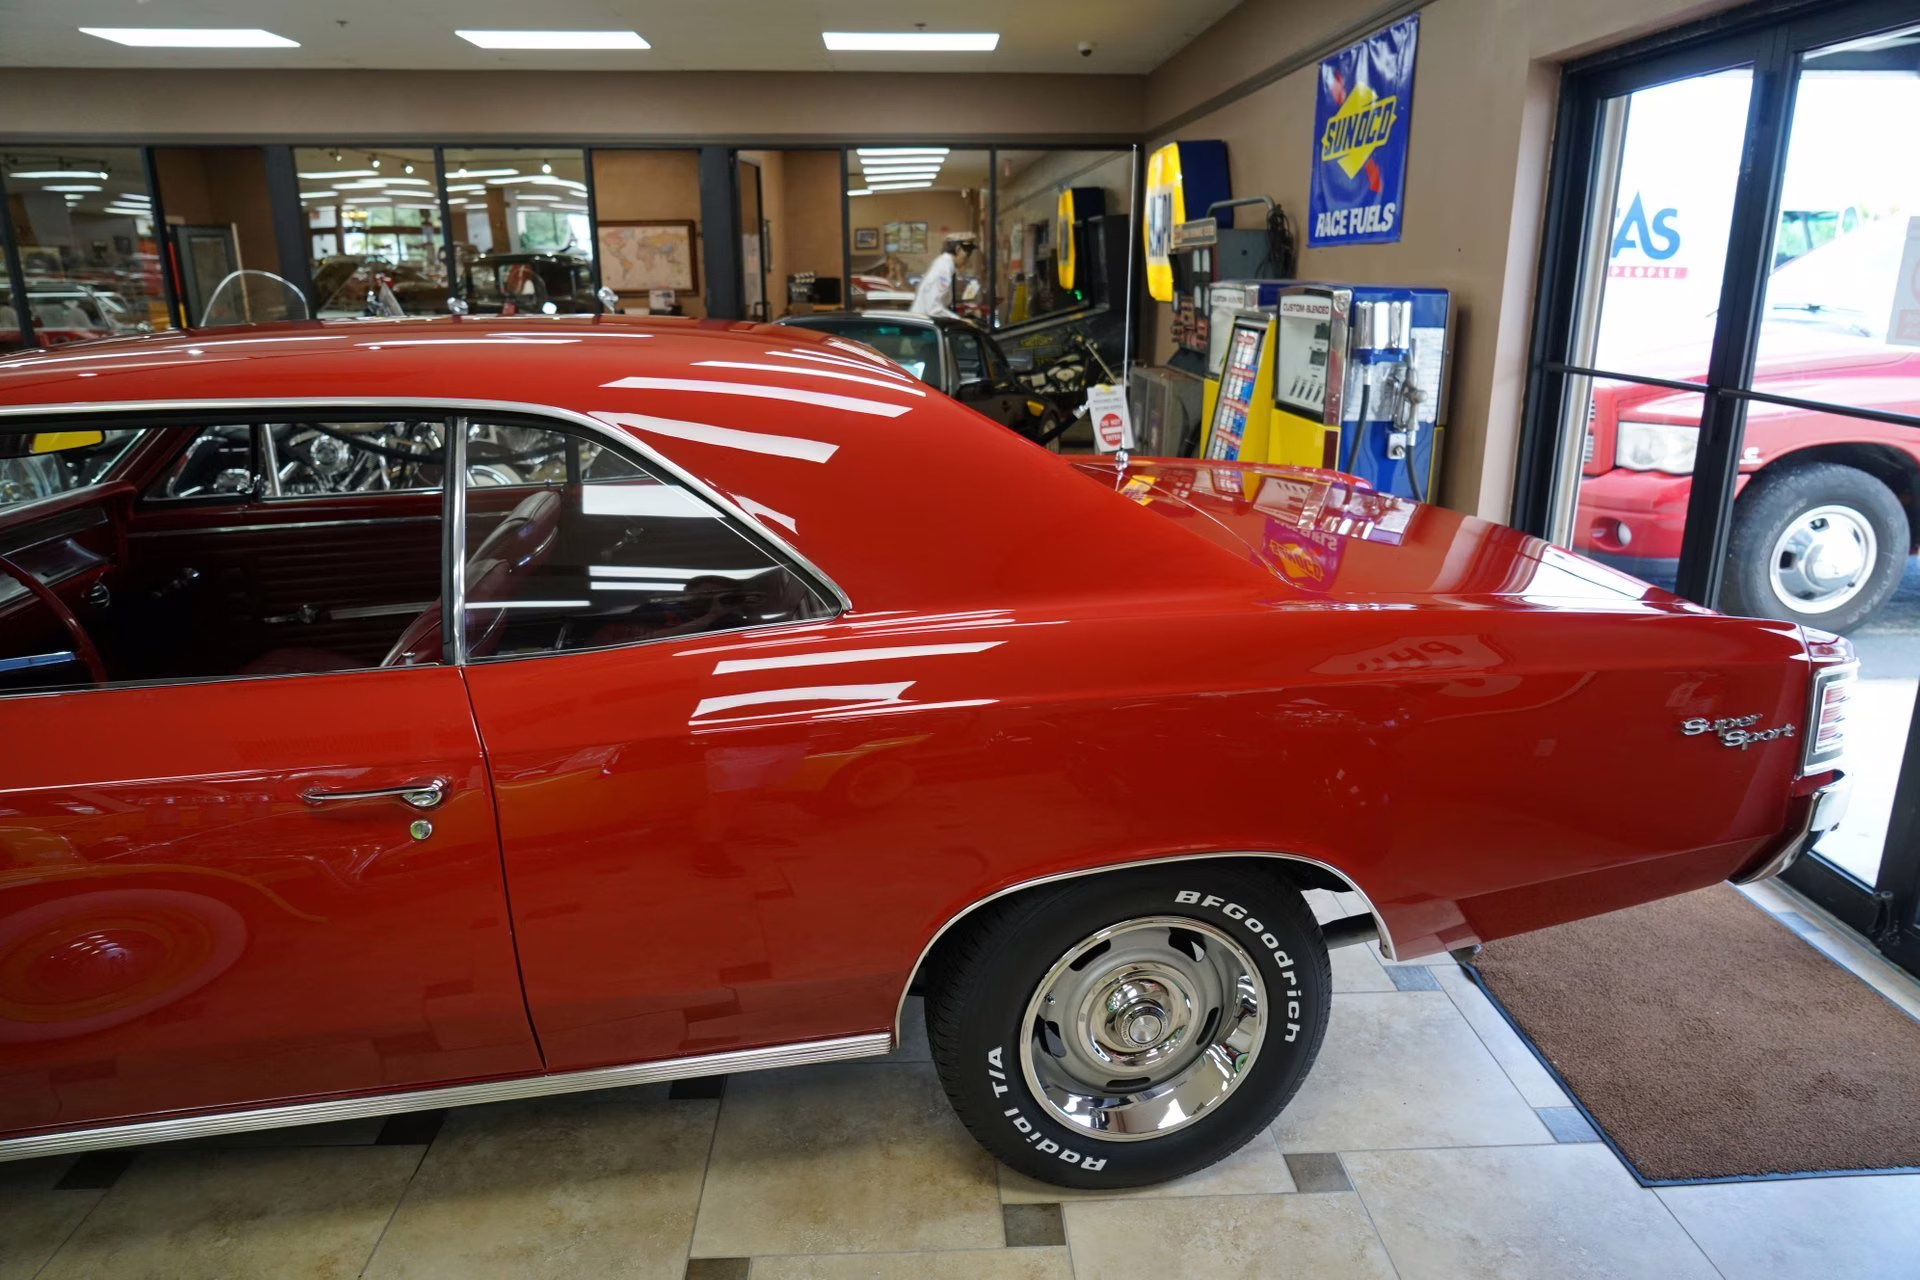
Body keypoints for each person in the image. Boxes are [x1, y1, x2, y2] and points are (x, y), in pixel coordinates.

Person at [910, 232, 979, 319]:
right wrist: (960, 320)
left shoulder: (946, 264)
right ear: (958, 249)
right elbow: (933, 309)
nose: (968, 258)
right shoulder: (943, 268)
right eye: (968, 253)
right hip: (924, 325)